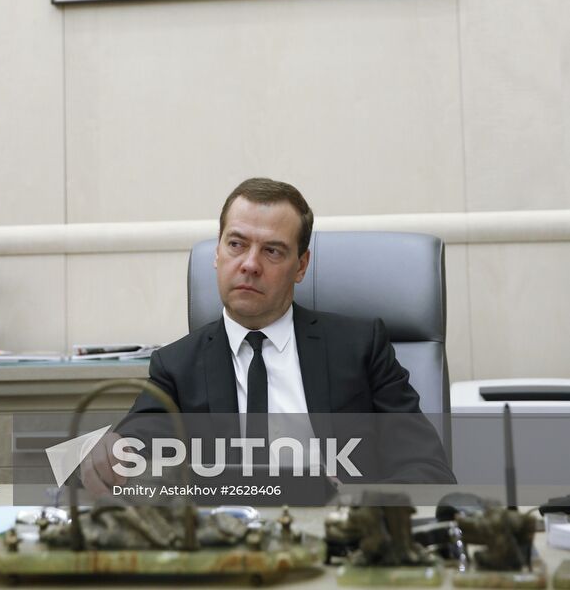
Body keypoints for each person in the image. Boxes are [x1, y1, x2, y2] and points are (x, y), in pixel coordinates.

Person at [82, 177, 455, 494]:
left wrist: (351, 502)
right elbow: (125, 453)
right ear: (217, 253)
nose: (250, 264)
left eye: (272, 251)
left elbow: (427, 469)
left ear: (301, 266)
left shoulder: (359, 347)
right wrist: (109, 454)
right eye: (236, 244)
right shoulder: (177, 365)